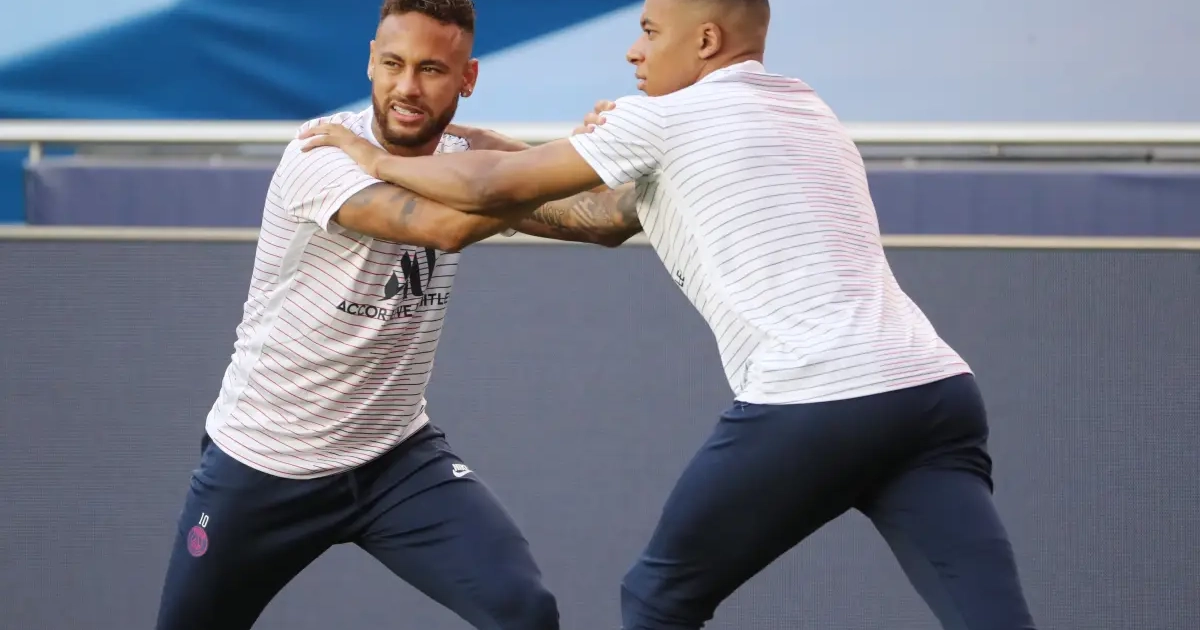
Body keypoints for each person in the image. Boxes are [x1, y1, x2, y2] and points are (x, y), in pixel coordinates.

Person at [299, 0, 1040, 628]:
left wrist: (371, 156)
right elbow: (603, 216)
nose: (634, 50)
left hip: (818, 398)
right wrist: (566, 147)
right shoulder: (805, 105)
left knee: (656, 600)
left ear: (706, 41)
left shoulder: (665, 119)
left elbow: (493, 187)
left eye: (651, 31)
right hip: (932, 394)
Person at [153, 1, 643, 629]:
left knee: (524, 611)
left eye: (431, 69)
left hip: (394, 460)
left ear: (467, 78)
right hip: (264, 463)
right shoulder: (321, 152)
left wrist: (629, 152)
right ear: (370, 63)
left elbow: (604, 221)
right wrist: (550, 166)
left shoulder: (471, 161)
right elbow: (443, 226)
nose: (407, 87)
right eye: (393, 64)